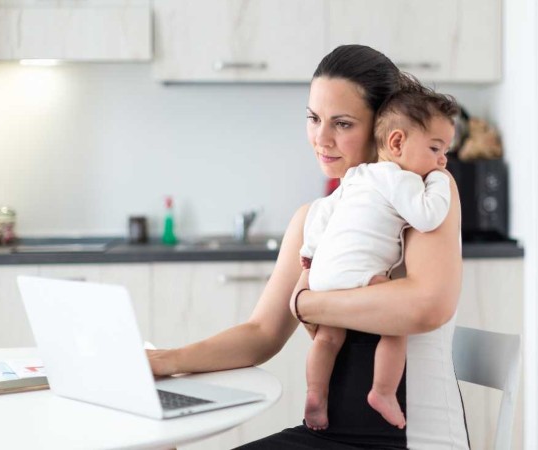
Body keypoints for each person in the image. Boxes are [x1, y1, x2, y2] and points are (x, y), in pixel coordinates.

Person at [147, 44, 468, 449]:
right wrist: (164, 362)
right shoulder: (314, 218)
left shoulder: (425, 192)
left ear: (385, 129)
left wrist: (308, 305)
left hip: (413, 440)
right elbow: (262, 333)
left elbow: (426, 306)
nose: (321, 138)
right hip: (326, 435)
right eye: (314, 118)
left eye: (343, 124)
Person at [298, 86, 459, 431]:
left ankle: (315, 393)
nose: (442, 161)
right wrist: (439, 182)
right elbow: (427, 216)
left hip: (323, 274)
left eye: (444, 153)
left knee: (328, 337)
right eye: (436, 149)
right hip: (360, 273)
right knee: (395, 324)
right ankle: (383, 392)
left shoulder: (356, 177)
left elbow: (322, 214)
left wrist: (309, 256)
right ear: (397, 143)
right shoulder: (401, 179)